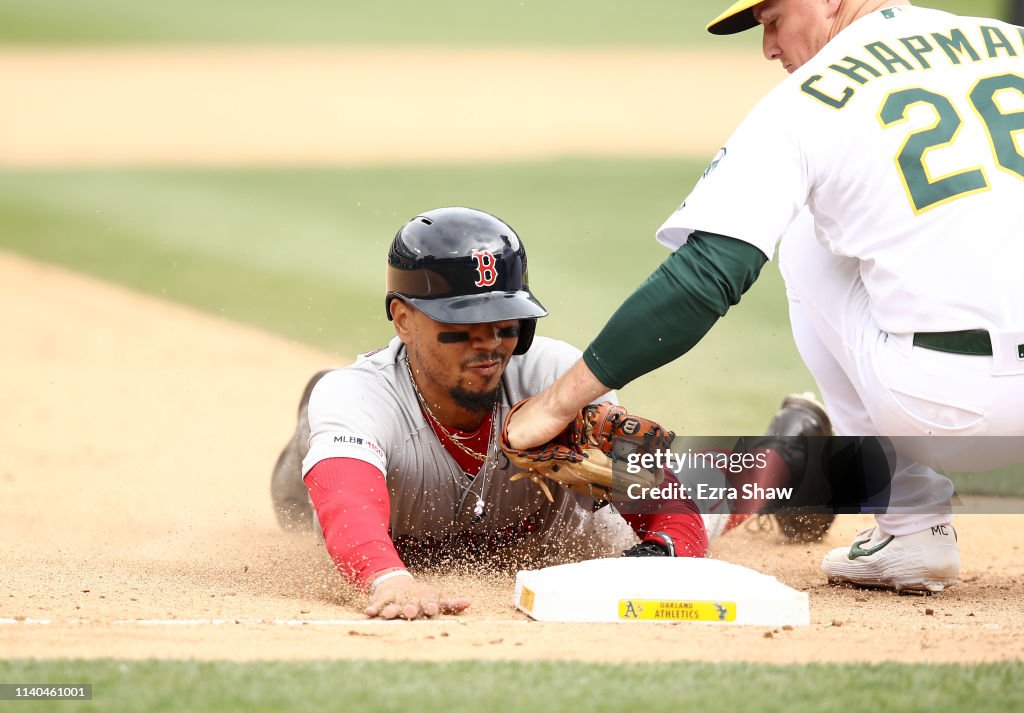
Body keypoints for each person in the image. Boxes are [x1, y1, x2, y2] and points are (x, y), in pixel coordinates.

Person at [505, 0, 1024, 594]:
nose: (767, 46)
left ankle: (910, 524)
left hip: (944, 408)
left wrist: (555, 404)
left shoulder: (808, 99)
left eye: (773, 19)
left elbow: (707, 274)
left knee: (806, 234)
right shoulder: (1008, 40)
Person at [271, 206, 827, 620]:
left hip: (565, 537)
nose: (488, 345)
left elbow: (667, 506)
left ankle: (794, 451)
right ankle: (314, 433)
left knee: (710, 497)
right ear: (402, 318)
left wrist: (660, 555)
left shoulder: (556, 378)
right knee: (306, 500)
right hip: (364, 458)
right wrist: (386, 578)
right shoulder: (364, 396)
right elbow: (348, 503)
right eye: (460, 327)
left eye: (505, 324)